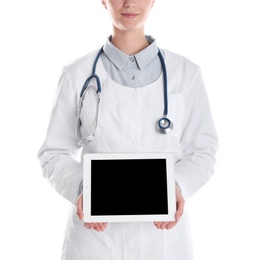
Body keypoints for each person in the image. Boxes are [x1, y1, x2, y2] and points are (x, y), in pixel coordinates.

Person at [37, 0, 219, 259]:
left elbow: (203, 150)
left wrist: (177, 186)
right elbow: (53, 153)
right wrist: (83, 189)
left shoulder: (185, 74)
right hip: (95, 242)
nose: (130, 2)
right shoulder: (76, 75)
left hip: (164, 242)